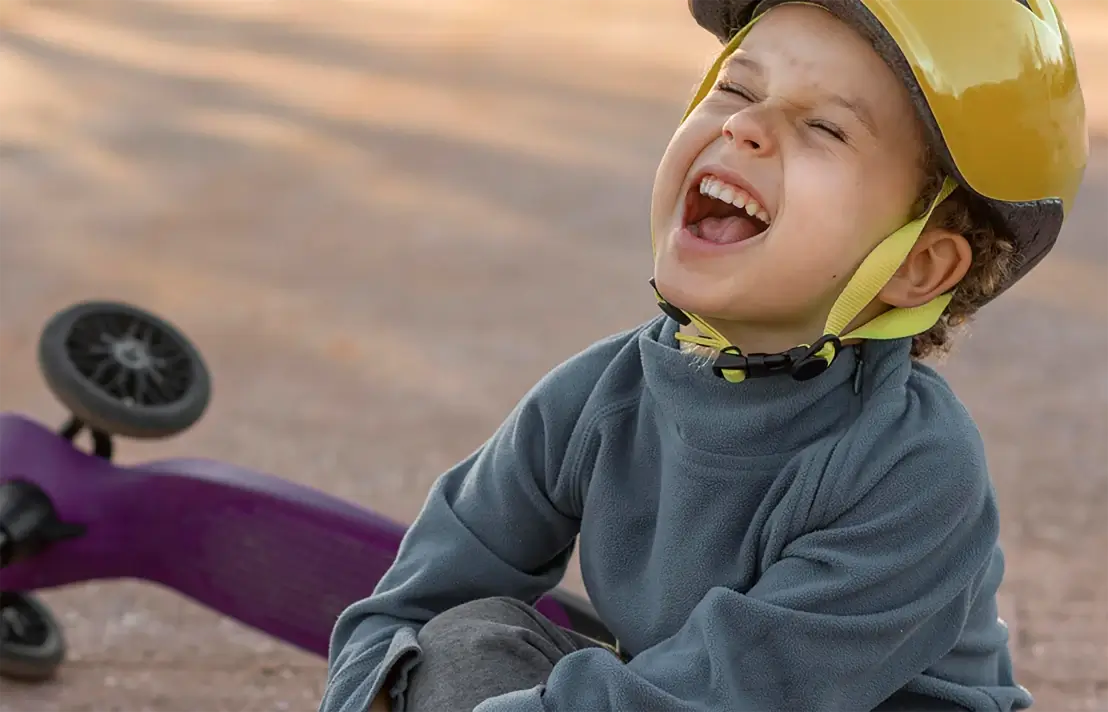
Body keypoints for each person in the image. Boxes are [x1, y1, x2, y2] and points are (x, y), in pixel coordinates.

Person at [319, 0, 1088, 710]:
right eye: (734, 89)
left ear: (917, 267)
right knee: (464, 641)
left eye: (825, 128)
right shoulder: (599, 397)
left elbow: (738, 688)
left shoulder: (913, 467)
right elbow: (412, 605)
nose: (746, 127)